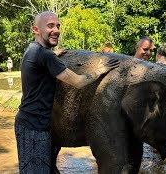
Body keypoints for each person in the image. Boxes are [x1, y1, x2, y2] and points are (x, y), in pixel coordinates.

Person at [15, 11, 120, 173]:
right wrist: (100, 70)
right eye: (50, 26)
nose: (56, 30)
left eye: (58, 26)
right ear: (35, 29)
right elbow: (78, 82)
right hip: (35, 127)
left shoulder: (32, 50)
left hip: (26, 123)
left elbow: (41, 60)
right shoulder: (45, 57)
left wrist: (52, 54)